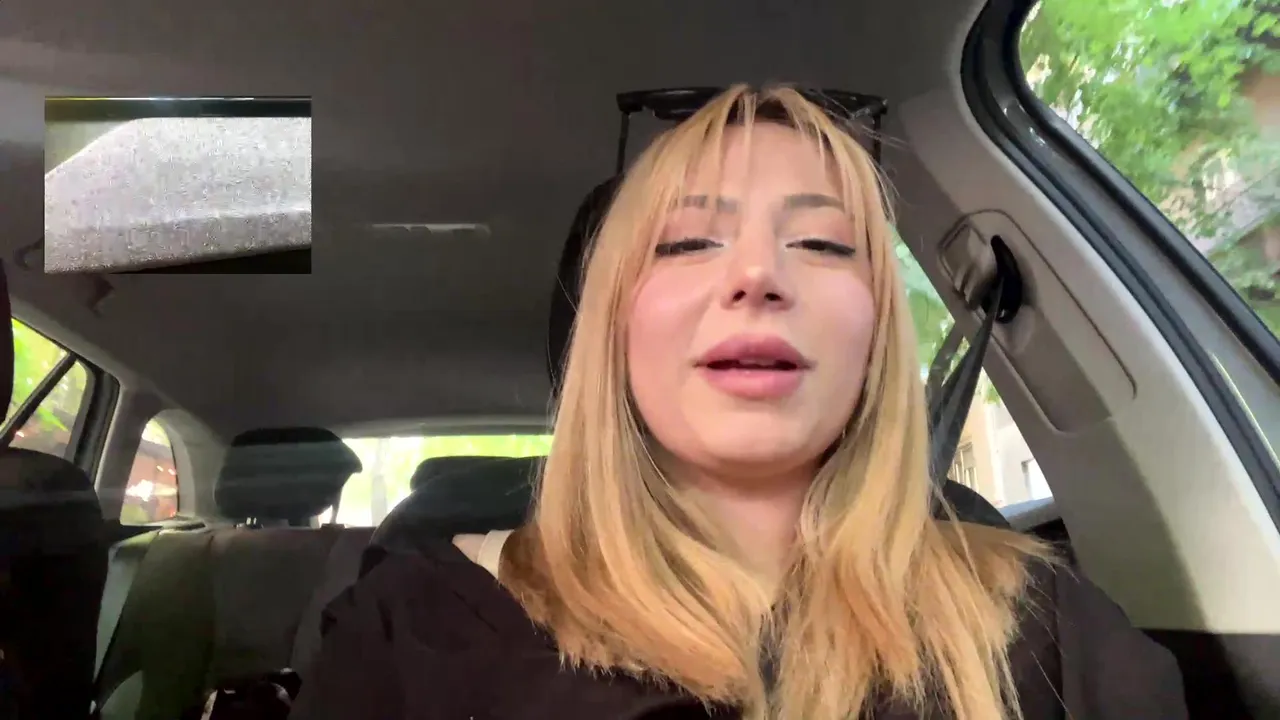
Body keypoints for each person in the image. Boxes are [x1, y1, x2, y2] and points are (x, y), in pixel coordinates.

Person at [288, 85, 1187, 720]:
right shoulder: (406, 636)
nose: (758, 274)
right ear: (611, 327)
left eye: (822, 243)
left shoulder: (1050, 627)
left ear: (877, 331)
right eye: (688, 243)